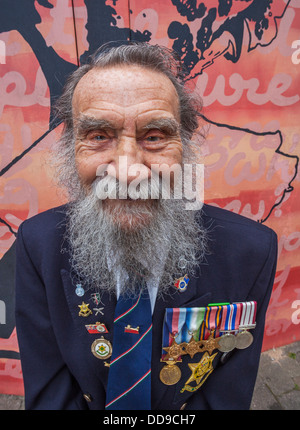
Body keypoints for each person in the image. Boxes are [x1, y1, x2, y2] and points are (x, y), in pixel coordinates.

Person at [15, 42, 277, 410]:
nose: (127, 170)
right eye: (99, 136)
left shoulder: (252, 251)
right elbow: (51, 394)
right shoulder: (37, 243)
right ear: (71, 150)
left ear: (184, 148)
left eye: (154, 137)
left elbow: (225, 393)